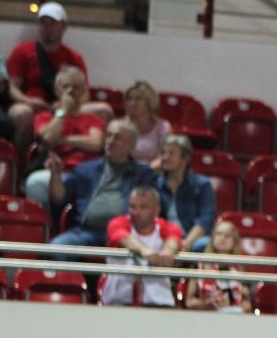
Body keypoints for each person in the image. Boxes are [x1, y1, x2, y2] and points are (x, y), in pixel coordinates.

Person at [6, 3, 109, 155]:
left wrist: (65, 105)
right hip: (32, 105)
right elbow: (12, 86)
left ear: (63, 27)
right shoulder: (22, 51)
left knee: (104, 110)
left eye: (53, 23)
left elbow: (84, 93)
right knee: (22, 113)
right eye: (44, 23)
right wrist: (27, 100)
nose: (48, 27)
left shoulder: (74, 57)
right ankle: (20, 162)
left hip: (66, 104)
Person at [48, 119, 157, 249]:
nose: (110, 141)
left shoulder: (144, 175)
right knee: (57, 247)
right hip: (86, 232)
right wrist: (55, 175)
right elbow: (59, 199)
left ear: (132, 145)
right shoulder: (85, 170)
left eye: (117, 137)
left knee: (146, 250)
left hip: (127, 234)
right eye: (108, 136)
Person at [25, 66, 104, 208]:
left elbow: (96, 143)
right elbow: (48, 138)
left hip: (86, 172)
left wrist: (62, 139)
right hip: (56, 171)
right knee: (35, 182)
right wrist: (63, 111)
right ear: (57, 90)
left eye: (76, 87)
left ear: (83, 91)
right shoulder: (44, 117)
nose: (71, 91)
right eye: (66, 86)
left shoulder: (93, 120)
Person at [99, 186, 182, 307]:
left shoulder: (166, 227)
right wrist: (144, 250)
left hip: (159, 302)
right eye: (132, 206)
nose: (136, 212)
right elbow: (123, 237)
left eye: (143, 207)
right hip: (118, 301)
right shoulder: (118, 223)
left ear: (156, 210)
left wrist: (168, 251)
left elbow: (174, 238)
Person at [155, 134, 216, 252]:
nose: (165, 157)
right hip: (162, 238)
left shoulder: (202, 184)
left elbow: (205, 220)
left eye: (171, 153)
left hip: (190, 239)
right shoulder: (154, 184)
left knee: (204, 244)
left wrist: (185, 244)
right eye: (163, 153)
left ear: (185, 159)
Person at [184, 220, 252, 313]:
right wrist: (208, 303)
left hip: (235, 317)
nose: (222, 238)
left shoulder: (240, 268)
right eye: (219, 234)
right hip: (206, 315)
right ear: (213, 237)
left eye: (227, 235)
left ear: (234, 241)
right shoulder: (198, 265)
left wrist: (234, 310)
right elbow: (189, 302)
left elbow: (247, 304)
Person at [122, 81, 171, 167]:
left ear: (150, 102)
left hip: (152, 171)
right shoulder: (121, 126)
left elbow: (164, 157)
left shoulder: (162, 127)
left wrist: (145, 171)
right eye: (129, 98)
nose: (132, 103)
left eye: (138, 99)